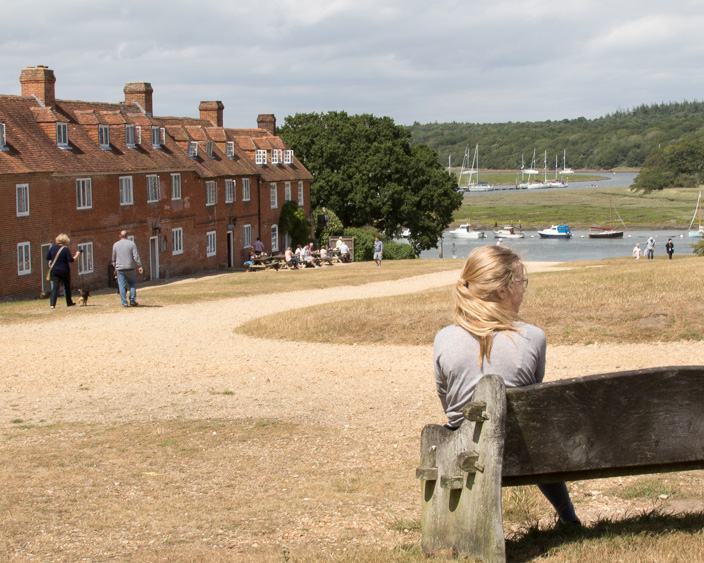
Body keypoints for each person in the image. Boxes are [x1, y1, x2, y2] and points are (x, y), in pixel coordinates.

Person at [433, 245, 580, 526]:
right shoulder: (533, 337)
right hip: (524, 453)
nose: (523, 290)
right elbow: (532, 401)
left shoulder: (444, 338)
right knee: (534, 432)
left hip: (466, 455)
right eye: (520, 283)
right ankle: (569, 517)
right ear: (502, 291)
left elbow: (447, 402)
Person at [46, 233, 81, 309]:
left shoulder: (52, 248)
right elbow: (70, 260)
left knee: (55, 287)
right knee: (66, 286)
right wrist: (77, 255)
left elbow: (47, 257)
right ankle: (69, 302)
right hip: (64, 270)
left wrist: (51, 263)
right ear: (65, 241)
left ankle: (52, 304)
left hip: (55, 270)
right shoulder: (65, 249)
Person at [112, 230, 144, 307]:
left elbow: (113, 258)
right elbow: (136, 256)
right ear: (127, 236)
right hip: (130, 267)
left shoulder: (115, 245)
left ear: (120, 236)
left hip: (120, 268)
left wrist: (115, 267)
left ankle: (124, 303)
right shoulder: (131, 244)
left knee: (121, 285)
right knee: (132, 284)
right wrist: (139, 265)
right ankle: (132, 300)